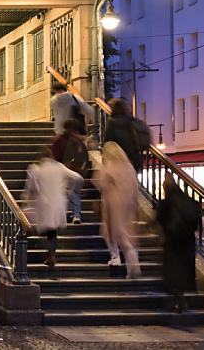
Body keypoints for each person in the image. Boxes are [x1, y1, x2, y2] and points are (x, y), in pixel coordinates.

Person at [23, 147, 82, 273]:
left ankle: (51, 254)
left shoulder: (35, 169)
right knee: (52, 232)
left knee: (45, 231)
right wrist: (69, 190)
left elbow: (30, 188)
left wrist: (26, 200)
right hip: (57, 204)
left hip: (43, 204)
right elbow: (78, 178)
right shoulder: (59, 167)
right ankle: (51, 254)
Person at [155, 174, 200, 313]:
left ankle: (178, 299)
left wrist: (161, 234)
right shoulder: (189, 200)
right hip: (187, 239)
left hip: (172, 240)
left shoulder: (166, 203)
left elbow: (159, 220)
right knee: (183, 270)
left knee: (172, 272)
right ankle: (178, 299)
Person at [96, 141, 142, 278]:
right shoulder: (129, 167)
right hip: (128, 201)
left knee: (112, 232)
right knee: (123, 232)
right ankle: (130, 263)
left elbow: (100, 182)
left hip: (112, 202)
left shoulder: (109, 166)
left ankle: (120, 258)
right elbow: (135, 186)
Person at [50, 119, 88, 224]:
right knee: (74, 193)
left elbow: (54, 157)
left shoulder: (58, 139)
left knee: (62, 193)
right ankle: (75, 215)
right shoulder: (79, 140)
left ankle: (64, 215)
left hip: (63, 170)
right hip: (78, 171)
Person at [103, 98, 149, 173]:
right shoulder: (134, 120)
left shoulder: (112, 122)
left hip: (120, 159)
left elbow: (108, 141)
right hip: (135, 159)